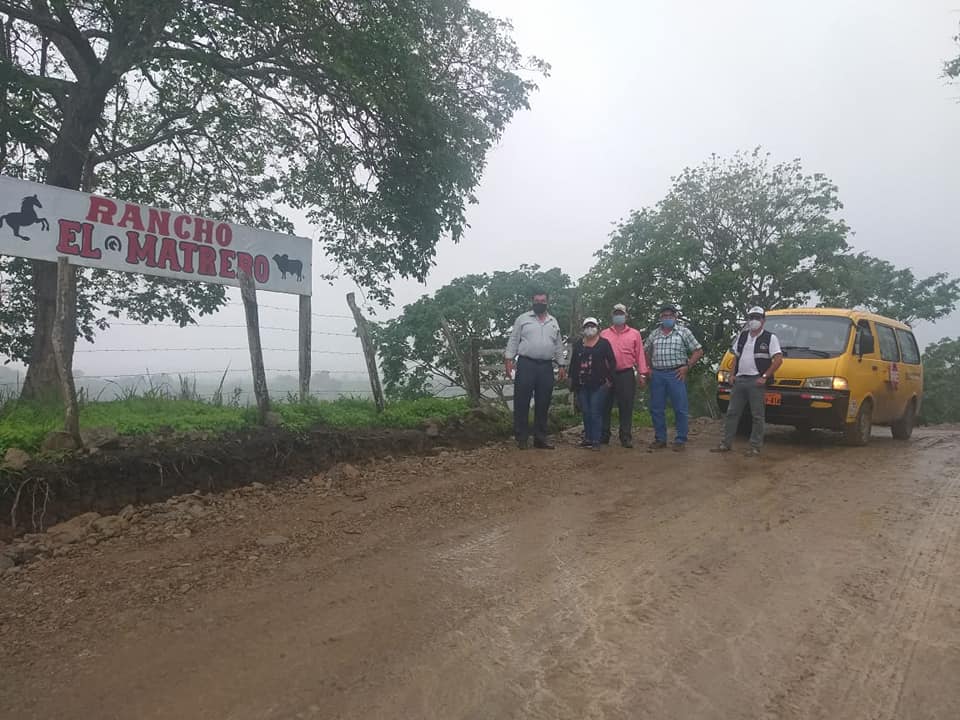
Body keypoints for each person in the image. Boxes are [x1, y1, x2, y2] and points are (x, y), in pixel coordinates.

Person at [712, 306, 784, 456]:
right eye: (751, 318)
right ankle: (725, 443)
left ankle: (754, 446)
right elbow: (736, 357)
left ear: (763, 321)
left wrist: (764, 377)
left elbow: (778, 359)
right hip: (740, 380)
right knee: (732, 413)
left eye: (757, 318)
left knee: (757, 415)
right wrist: (732, 375)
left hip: (756, 381)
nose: (754, 321)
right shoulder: (743, 336)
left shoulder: (770, 338)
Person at [504, 291, 566, 449]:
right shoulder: (523, 319)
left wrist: (561, 364)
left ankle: (540, 438)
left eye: (543, 300)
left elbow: (558, 345)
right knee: (522, 401)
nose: (540, 303)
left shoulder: (553, 321)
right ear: (532, 302)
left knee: (543, 402)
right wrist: (509, 359)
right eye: (537, 300)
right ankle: (522, 438)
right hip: (526, 364)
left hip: (546, 366)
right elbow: (514, 339)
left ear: (547, 302)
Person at [644, 304, 704, 451]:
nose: (667, 318)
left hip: (676, 373)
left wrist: (687, 366)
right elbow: (645, 350)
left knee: (680, 408)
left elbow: (698, 351)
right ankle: (660, 439)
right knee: (656, 408)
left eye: (670, 316)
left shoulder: (683, 332)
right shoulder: (654, 334)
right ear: (660, 318)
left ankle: (680, 439)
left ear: (675, 317)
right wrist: (648, 368)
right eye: (665, 316)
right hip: (657, 374)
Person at [600, 303, 650, 448]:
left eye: (621, 314)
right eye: (616, 314)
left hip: (626, 373)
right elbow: (599, 355)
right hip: (607, 374)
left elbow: (639, 354)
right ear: (612, 315)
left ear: (626, 316)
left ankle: (625, 436)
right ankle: (604, 435)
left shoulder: (634, 334)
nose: (618, 316)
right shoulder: (604, 334)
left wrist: (642, 374)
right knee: (605, 405)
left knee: (626, 405)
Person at [569, 317, 617, 450]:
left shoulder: (604, 343)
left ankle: (596, 440)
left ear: (598, 328)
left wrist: (610, 379)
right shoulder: (579, 344)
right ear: (583, 329)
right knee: (586, 411)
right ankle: (588, 438)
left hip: (599, 384)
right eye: (587, 326)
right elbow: (573, 363)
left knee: (595, 411)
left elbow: (612, 362)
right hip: (582, 384)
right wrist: (571, 379)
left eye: (592, 326)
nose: (590, 329)